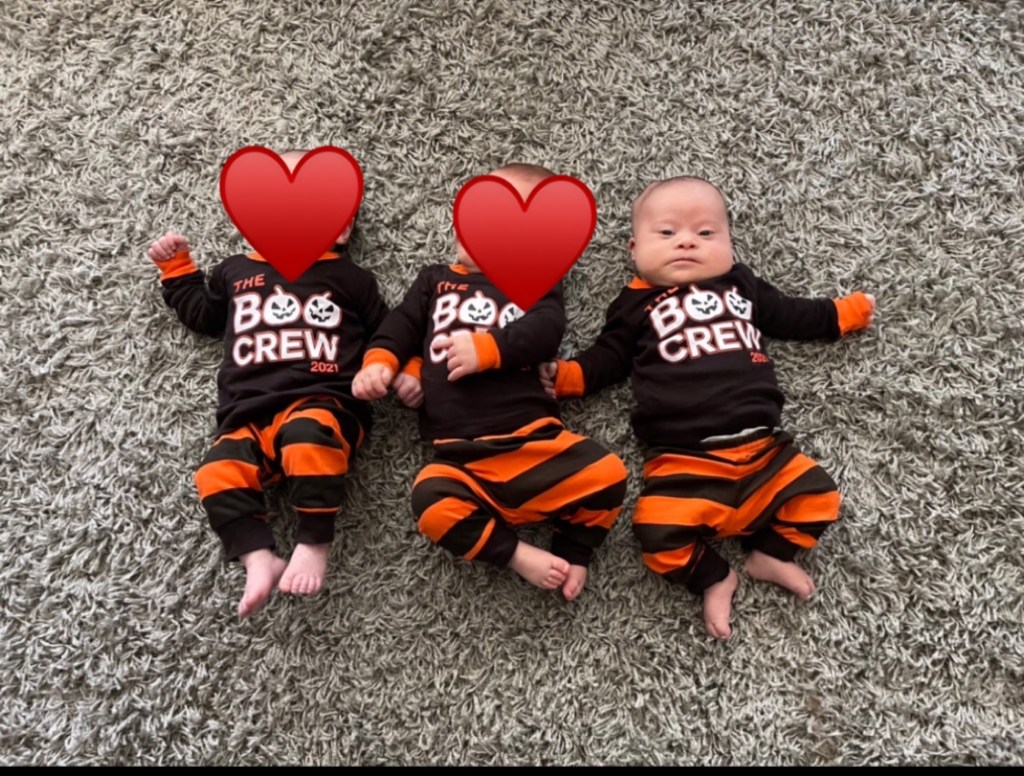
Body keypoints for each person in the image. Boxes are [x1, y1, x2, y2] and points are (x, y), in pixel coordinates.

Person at [540, 176, 876, 638]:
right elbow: (607, 359)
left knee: (819, 496)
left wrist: (841, 314)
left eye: (706, 233)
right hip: (683, 461)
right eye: (667, 233)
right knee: (656, 534)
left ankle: (770, 555)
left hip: (764, 451)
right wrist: (568, 377)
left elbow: (790, 315)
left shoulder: (739, 285)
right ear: (635, 250)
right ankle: (716, 578)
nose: (687, 242)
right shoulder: (635, 304)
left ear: (730, 246)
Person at [352, 163, 628, 601]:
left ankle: (574, 551)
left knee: (609, 474)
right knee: (430, 503)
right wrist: (389, 366)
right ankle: (515, 553)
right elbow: (402, 326)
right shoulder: (436, 280)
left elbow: (546, 331)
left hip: (535, 444)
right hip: (463, 460)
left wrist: (490, 348)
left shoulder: (536, 285)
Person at [148, 149, 387, 619]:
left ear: (342, 229)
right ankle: (258, 556)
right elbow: (205, 317)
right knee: (216, 472)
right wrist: (178, 272)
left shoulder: (349, 277)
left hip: (325, 402)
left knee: (308, 438)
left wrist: (388, 367)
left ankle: (313, 541)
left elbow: (387, 330)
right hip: (247, 412)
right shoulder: (236, 270)